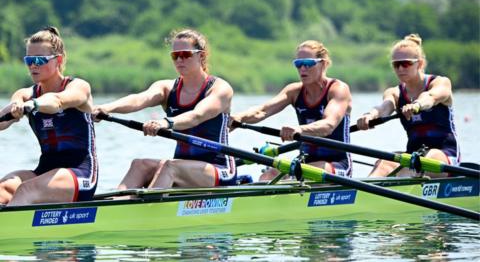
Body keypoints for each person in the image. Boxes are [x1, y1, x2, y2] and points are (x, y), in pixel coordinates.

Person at [93, 29, 236, 189]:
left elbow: (197, 116)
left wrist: (165, 123)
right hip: (182, 166)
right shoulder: (167, 88)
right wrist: (105, 108)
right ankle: (116, 208)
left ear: (201, 56)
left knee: (170, 167)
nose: (179, 60)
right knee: (140, 165)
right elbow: (139, 99)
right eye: (175, 55)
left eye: (186, 54)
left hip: (218, 169)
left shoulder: (220, 88)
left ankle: (147, 210)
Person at [0, 26, 98, 206]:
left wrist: (34, 104)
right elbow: (4, 120)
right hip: (44, 171)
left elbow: (57, 102)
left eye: (39, 60)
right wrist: (16, 105)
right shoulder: (25, 94)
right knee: (3, 187)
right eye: (29, 60)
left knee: (26, 190)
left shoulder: (78, 87)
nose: (33, 65)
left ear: (58, 60)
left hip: (79, 174)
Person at [231, 40, 352, 181]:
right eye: (298, 64)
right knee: (269, 175)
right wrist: (238, 118)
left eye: (308, 63)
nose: (302, 69)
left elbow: (328, 125)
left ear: (323, 63)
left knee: (306, 173)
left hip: (338, 165)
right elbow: (262, 110)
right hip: (304, 163)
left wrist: (299, 129)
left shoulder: (338, 89)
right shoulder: (294, 91)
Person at [356, 33, 459, 178]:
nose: (400, 69)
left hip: (445, 156)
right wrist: (370, 116)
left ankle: (395, 185)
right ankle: (363, 194)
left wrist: (417, 105)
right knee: (383, 163)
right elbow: (384, 108)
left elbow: (430, 97)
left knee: (421, 161)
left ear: (420, 64)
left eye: (406, 63)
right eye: (396, 64)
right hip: (412, 157)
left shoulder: (440, 83)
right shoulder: (394, 93)